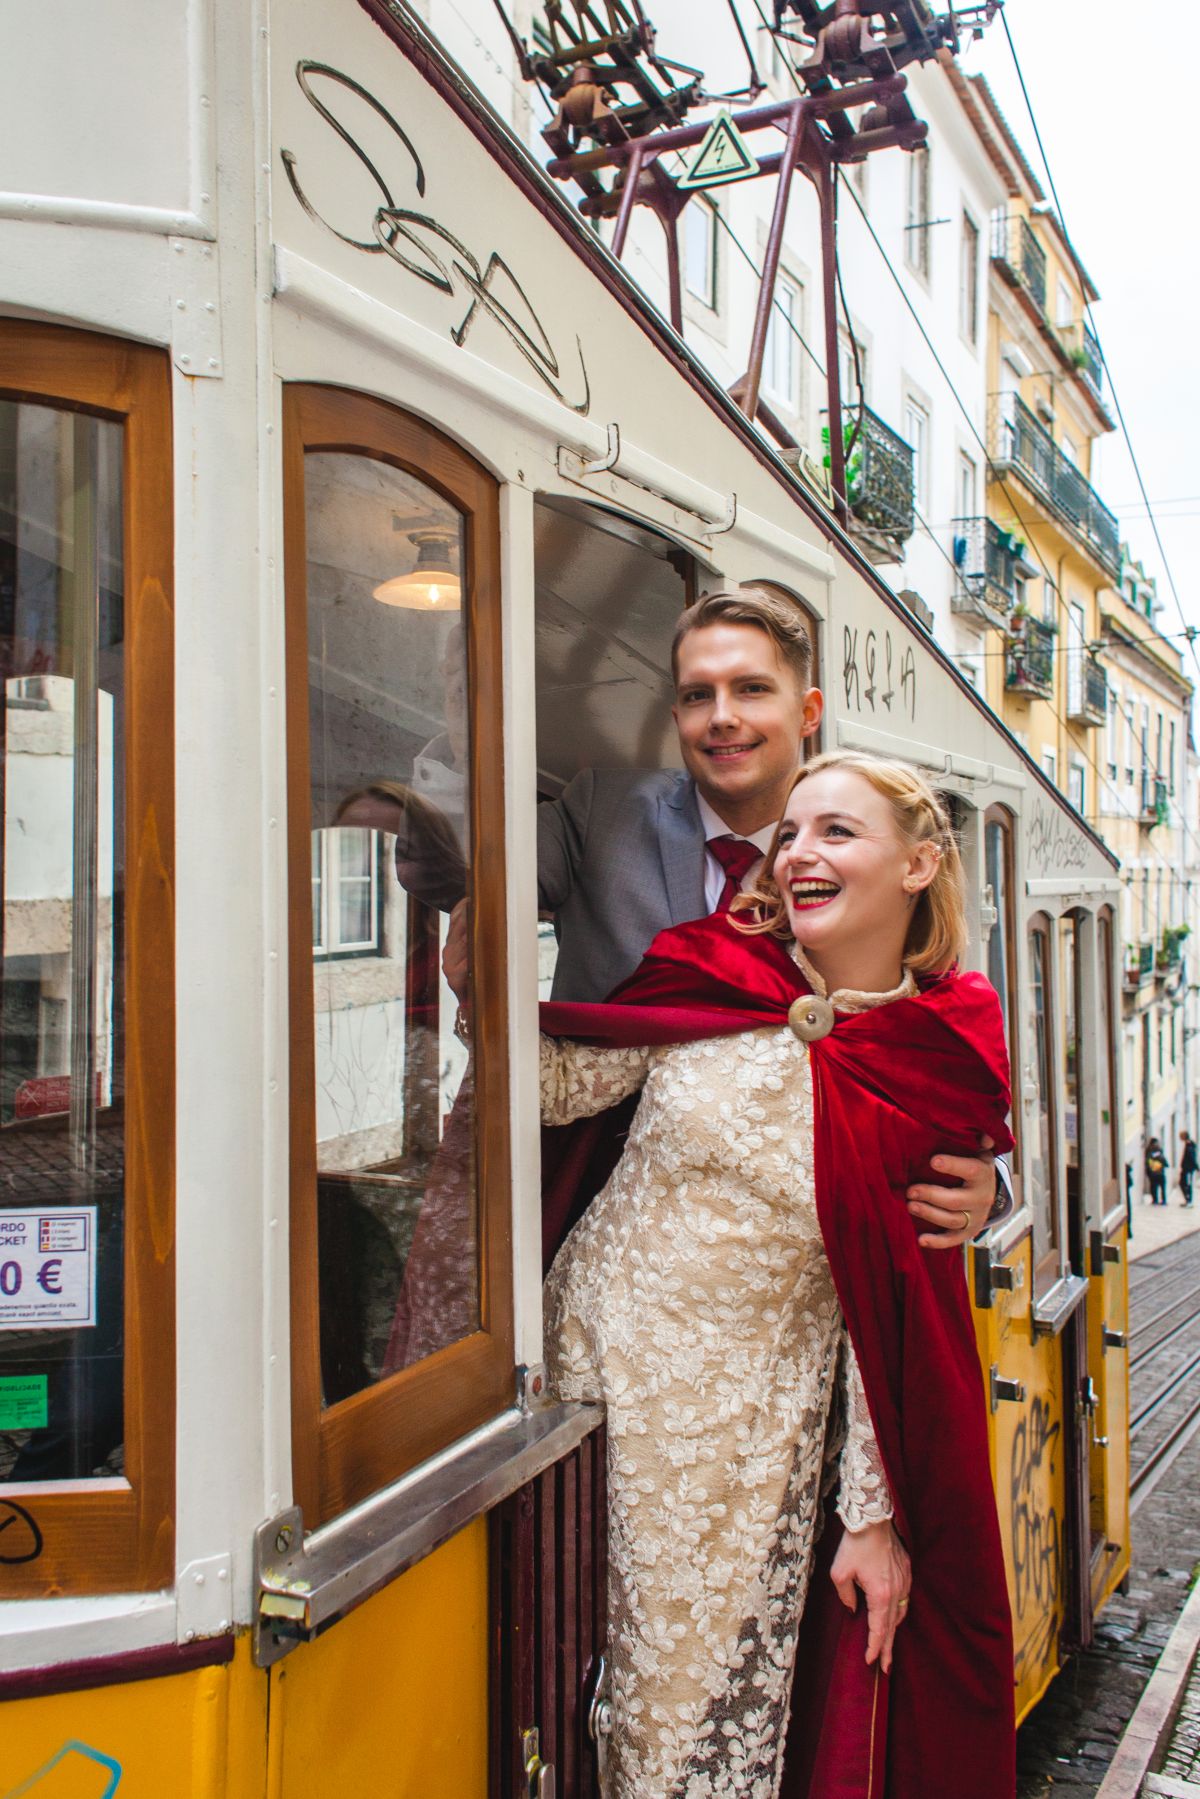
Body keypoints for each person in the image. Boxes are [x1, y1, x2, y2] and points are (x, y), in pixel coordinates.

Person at [538, 751, 1015, 1798]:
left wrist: (873, 1516)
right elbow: (568, 1083)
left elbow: (885, 1315)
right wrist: (476, 993)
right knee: (544, 1702)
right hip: (570, 1396)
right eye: (791, 833)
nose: (799, 851)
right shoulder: (712, 965)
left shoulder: (933, 1050)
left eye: (837, 831)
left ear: (920, 864)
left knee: (669, 1726)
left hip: (734, 1447)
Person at [453, 584, 1007, 1246]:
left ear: (807, 712)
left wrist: (990, 1183)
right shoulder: (600, 806)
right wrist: (462, 712)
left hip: (794, 1262)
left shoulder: (868, 864)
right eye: (697, 695)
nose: (721, 716)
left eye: (750, 689)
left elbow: (936, 1050)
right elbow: (441, 869)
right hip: (589, 1218)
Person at [1146, 1136, 1168, 1205]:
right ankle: (1163, 1200)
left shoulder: (1149, 1151)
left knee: (1154, 1187)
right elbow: (1164, 1161)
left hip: (1153, 1173)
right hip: (1160, 1172)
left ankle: (1155, 1200)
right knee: (1162, 1187)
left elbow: (1147, 1162)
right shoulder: (1159, 1151)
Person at [1180, 1131, 1197, 1206]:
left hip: (1188, 1169)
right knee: (1183, 1183)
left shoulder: (1189, 1145)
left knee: (1187, 1184)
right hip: (1186, 1168)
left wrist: (1196, 1167)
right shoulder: (1188, 1144)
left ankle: (1189, 1201)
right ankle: (1187, 1200)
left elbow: (1191, 1157)